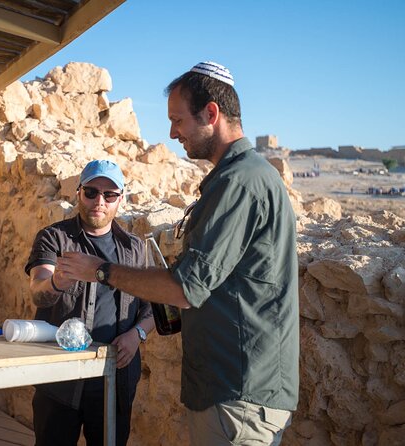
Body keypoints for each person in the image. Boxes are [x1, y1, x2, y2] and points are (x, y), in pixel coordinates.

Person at [56, 61, 299, 445]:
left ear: (211, 113)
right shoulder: (240, 178)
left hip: (237, 393)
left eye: (178, 120)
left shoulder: (239, 183)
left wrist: (100, 270)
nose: (171, 133)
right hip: (230, 390)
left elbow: (186, 288)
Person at [25, 159, 155, 446]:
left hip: (114, 379)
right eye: (92, 192)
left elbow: (150, 309)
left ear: (120, 199)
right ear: (79, 193)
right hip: (59, 378)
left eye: (109, 195)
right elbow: (38, 292)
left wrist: (137, 335)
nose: (100, 201)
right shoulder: (54, 238)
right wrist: (58, 281)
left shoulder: (134, 247)